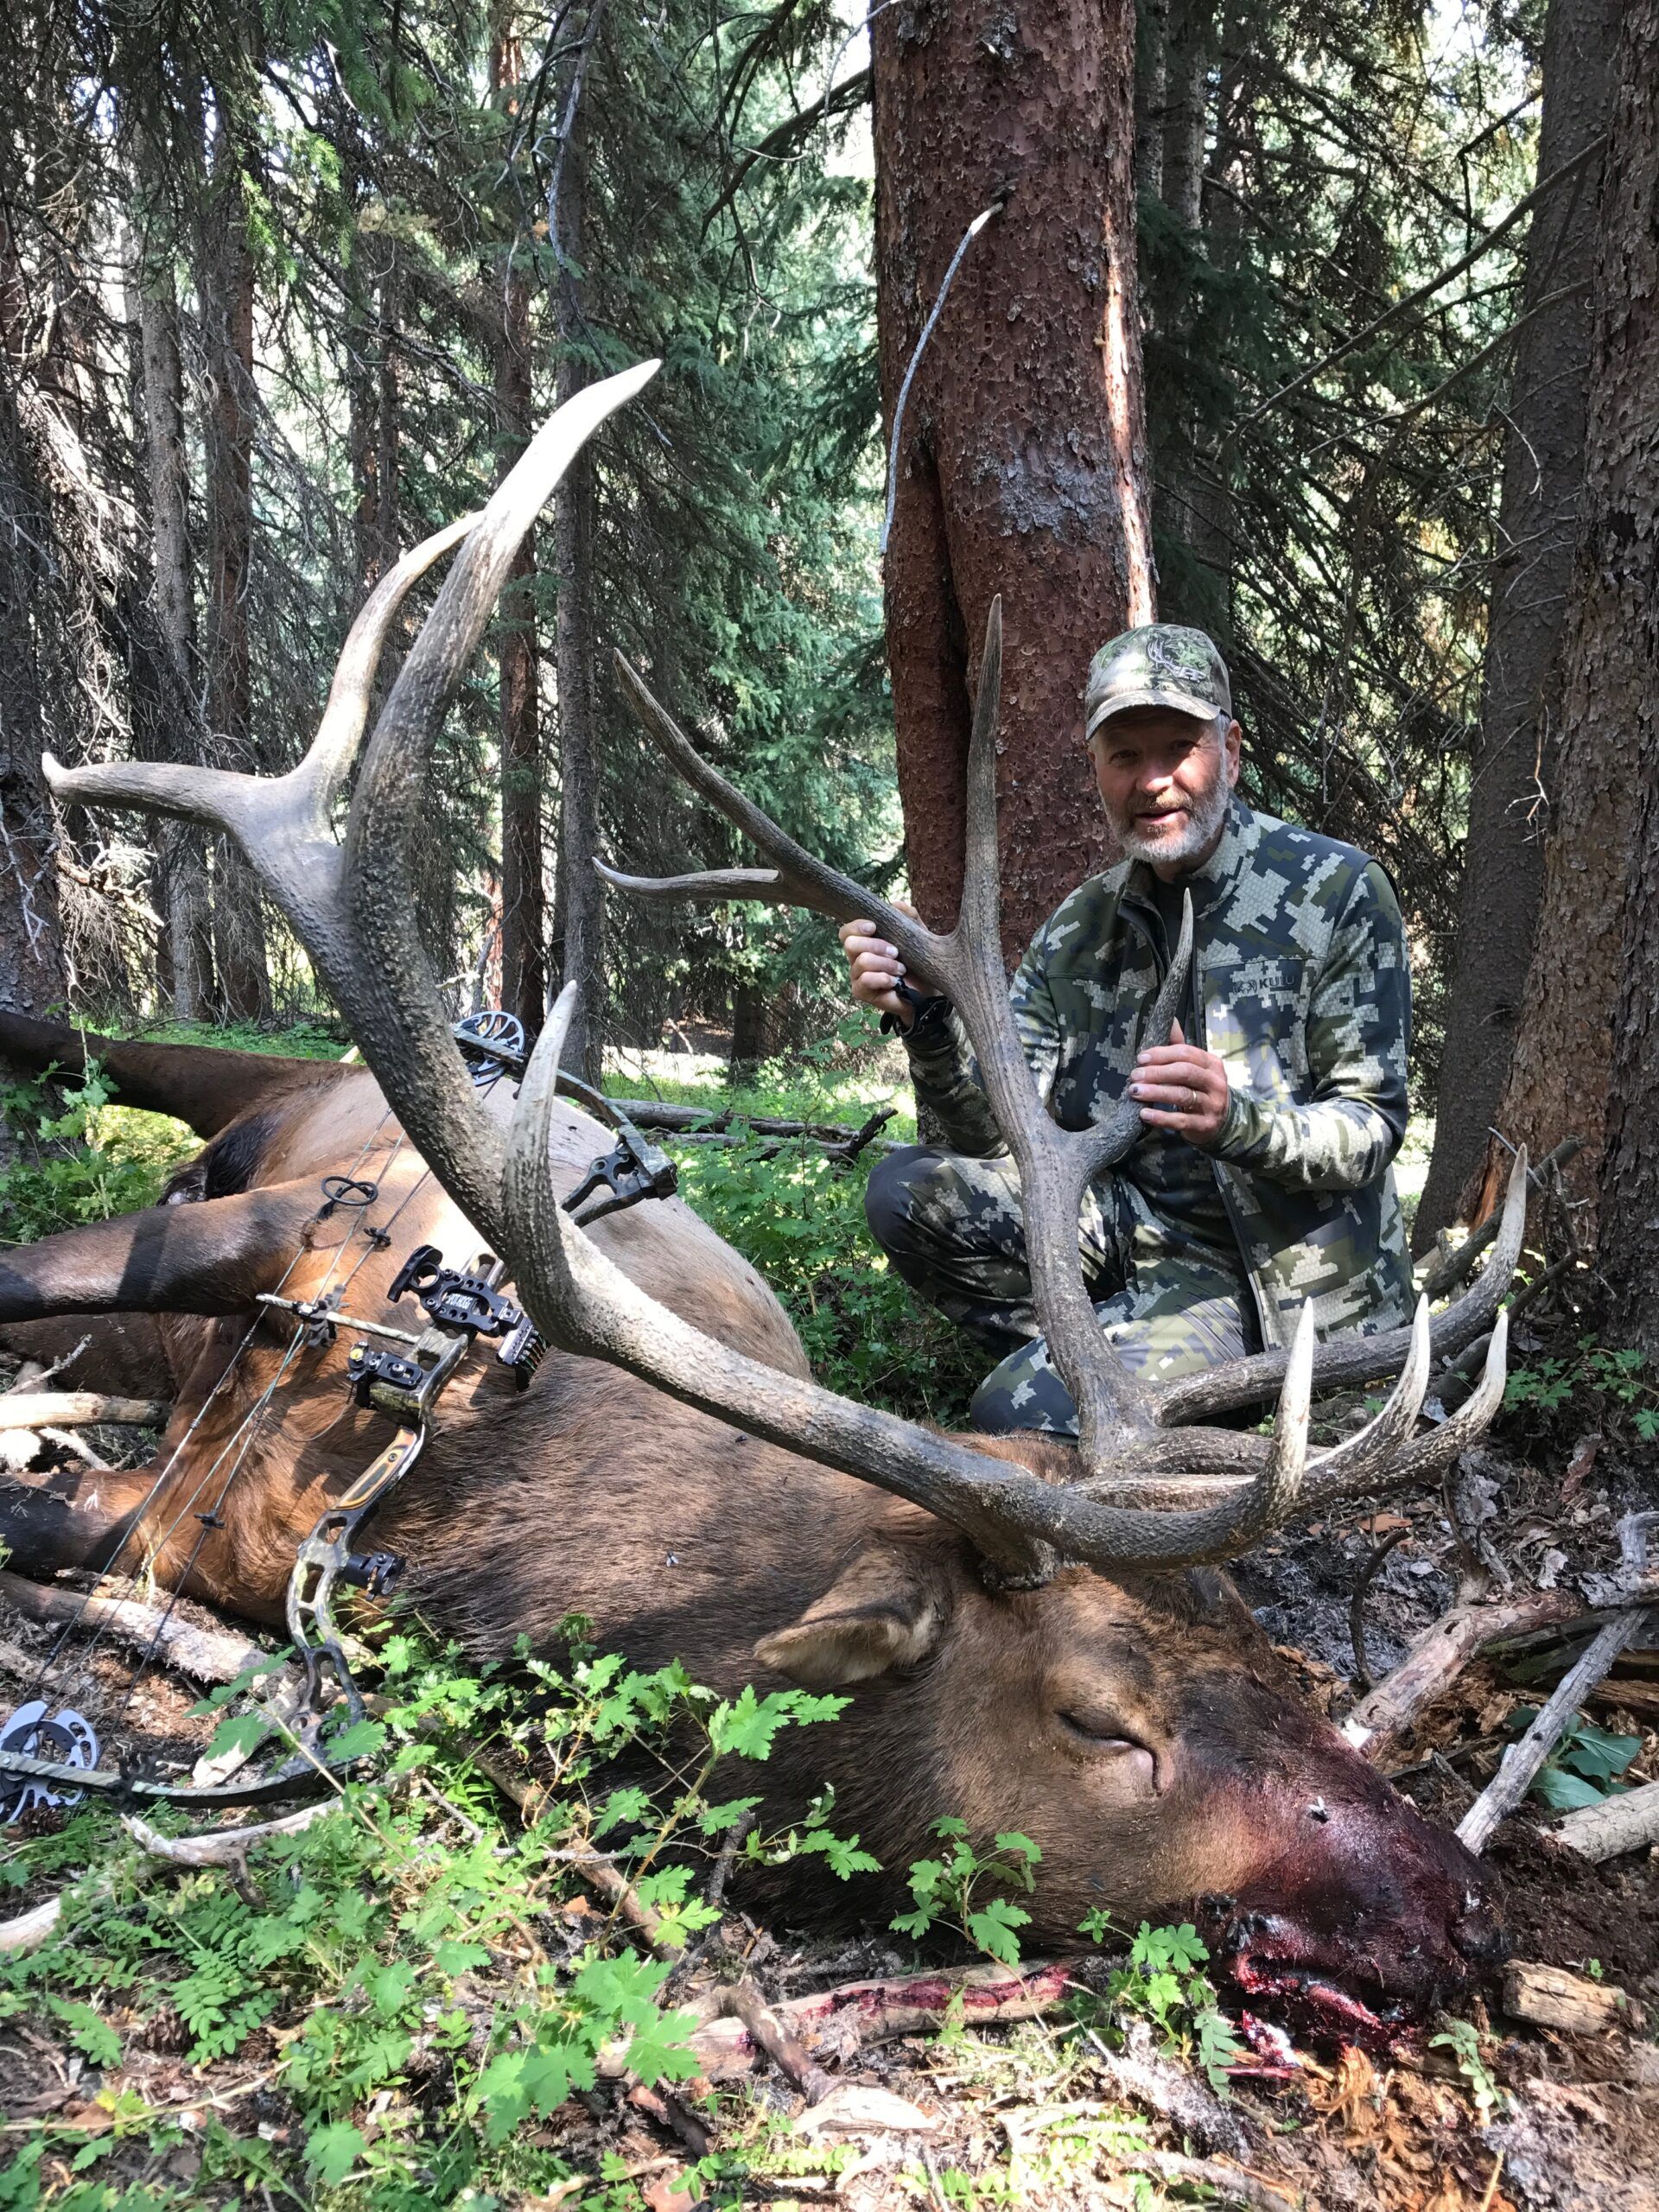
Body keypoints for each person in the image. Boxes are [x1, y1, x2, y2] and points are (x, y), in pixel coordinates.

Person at [842, 622, 1414, 1435]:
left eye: (1178, 748)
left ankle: (1159, 1384)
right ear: (1097, 770)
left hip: (1278, 1283)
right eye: (1124, 756)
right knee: (907, 1192)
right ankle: (1119, 1366)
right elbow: (996, 1131)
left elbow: (1372, 1127)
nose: (1153, 782)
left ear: (1231, 750)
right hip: (1130, 1238)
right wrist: (927, 1017)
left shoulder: (1337, 892)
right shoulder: (1082, 928)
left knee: (1012, 1414)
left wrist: (1237, 1123)